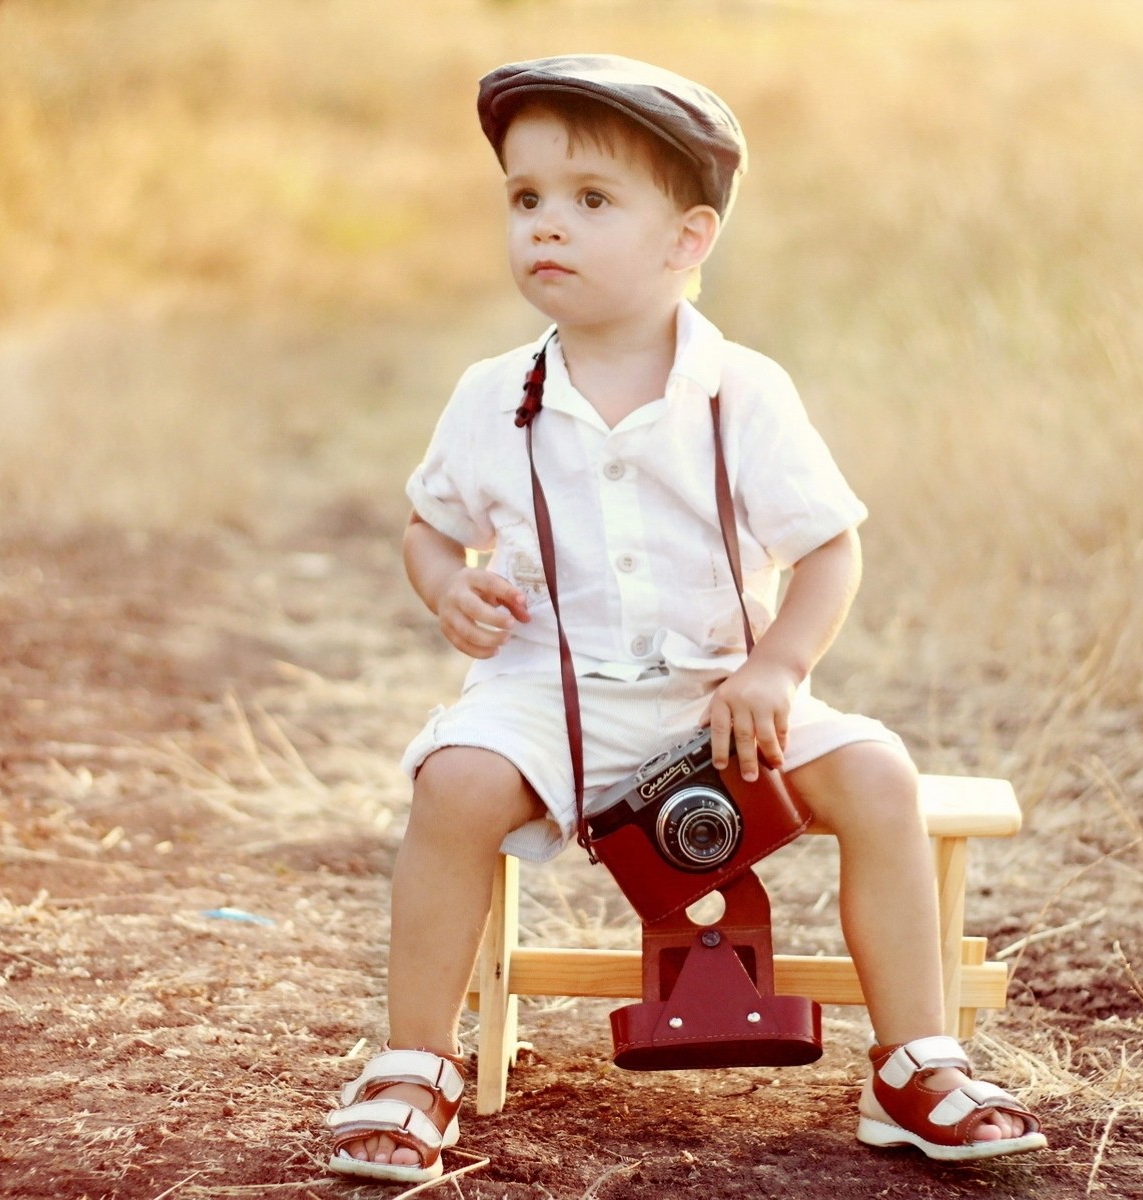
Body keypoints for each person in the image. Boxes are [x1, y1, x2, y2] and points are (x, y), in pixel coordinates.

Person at [324, 54, 1046, 1184]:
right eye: (525, 200)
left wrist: (779, 667)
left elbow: (828, 547)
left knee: (879, 774)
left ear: (688, 240)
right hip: (546, 695)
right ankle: (415, 1063)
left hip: (722, 693)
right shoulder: (490, 395)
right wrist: (445, 584)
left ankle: (917, 1060)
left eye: (590, 200)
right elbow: (431, 527)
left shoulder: (742, 391)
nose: (545, 227)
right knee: (453, 783)